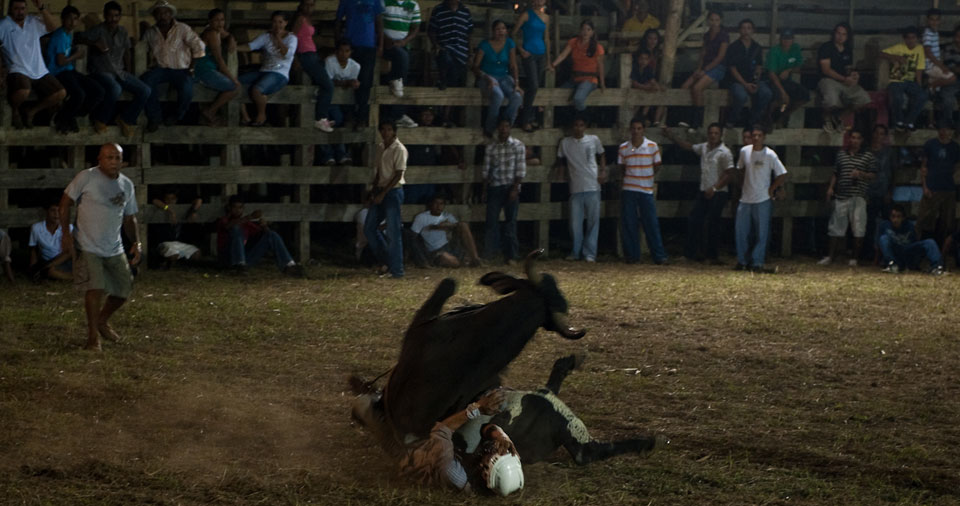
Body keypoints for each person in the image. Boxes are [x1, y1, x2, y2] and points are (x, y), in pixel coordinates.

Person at [59, 143, 141, 351]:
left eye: (117, 158)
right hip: (87, 243)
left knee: (123, 289)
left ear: (122, 160)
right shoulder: (86, 177)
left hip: (114, 245)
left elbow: (130, 218)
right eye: (109, 157)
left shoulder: (126, 184)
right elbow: (65, 203)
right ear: (100, 159)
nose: (113, 162)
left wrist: (136, 242)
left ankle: (102, 321)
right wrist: (66, 234)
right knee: (95, 288)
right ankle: (92, 336)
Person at [396, 389, 523, 495]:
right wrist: (502, 437)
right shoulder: (483, 477)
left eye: (494, 454)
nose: (494, 449)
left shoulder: (454, 474)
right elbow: (487, 429)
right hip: (446, 450)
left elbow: (441, 430)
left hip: (412, 450)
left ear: (485, 474)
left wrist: (478, 408)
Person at [664, 123, 734, 264]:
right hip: (704, 190)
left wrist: (714, 188)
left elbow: (729, 174)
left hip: (718, 192)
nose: (713, 136)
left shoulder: (725, 152)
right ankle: (692, 253)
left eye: (716, 133)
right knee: (695, 220)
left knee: (713, 224)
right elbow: (688, 146)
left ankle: (711, 256)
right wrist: (672, 137)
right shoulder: (704, 147)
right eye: (711, 133)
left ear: (720, 135)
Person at [82, 1, 151, 137]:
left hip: (119, 71)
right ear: (105, 16)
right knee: (115, 89)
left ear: (120, 17)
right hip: (101, 70)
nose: (113, 19)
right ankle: (101, 119)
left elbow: (126, 52)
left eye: (116, 16)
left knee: (145, 90)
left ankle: (126, 119)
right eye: (110, 15)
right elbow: (79, 38)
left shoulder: (122, 32)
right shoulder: (98, 30)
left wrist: (130, 73)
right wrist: (94, 43)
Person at [140, 0, 205, 132]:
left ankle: (177, 115)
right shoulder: (150, 33)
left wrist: (192, 67)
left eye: (165, 13)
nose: (162, 16)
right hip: (161, 69)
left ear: (170, 14)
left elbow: (199, 47)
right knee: (145, 81)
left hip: (181, 69)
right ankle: (155, 117)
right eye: (159, 13)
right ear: (154, 16)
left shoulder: (182, 29)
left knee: (187, 89)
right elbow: (142, 48)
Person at [0, 0, 66, 129]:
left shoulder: (33, 21)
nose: (20, 12)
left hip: (38, 69)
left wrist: (41, 7)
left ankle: (31, 111)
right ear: (10, 10)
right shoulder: (4, 25)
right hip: (17, 68)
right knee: (24, 91)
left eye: (23, 8)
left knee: (60, 93)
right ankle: (15, 111)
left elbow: (53, 27)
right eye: (17, 9)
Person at [818, 130, 877, 266]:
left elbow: (873, 175)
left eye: (857, 138)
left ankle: (854, 259)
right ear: (849, 139)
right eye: (853, 138)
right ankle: (830, 256)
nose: (855, 140)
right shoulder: (841, 155)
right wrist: (831, 188)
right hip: (842, 194)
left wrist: (861, 174)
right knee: (836, 226)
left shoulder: (868, 156)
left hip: (858, 195)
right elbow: (836, 173)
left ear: (862, 140)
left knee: (858, 226)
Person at [734, 126, 787, 272]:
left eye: (759, 135)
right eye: (754, 135)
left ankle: (757, 261)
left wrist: (772, 188)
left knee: (761, 233)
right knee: (741, 232)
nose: (756, 138)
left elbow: (781, 174)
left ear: (763, 137)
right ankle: (742, 260)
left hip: (762, 198)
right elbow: (740, 169)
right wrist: (741, 185)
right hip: (745, 197)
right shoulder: (744, 151)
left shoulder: (770, 154)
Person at [45, 5, 104, 134]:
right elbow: (60, 62)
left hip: (69, 70)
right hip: (58, 72)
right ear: (62, 19)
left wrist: (74, 52)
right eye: (69, 19)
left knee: (98, 91)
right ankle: (62, 118)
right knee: (79, 94)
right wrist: (76, 55)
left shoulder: (68, 34)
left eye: (75, 19)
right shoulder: (60, 36)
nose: (72, 22)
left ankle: (70, 115)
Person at [216, 195, 304, 276]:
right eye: (234, 207)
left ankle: (289, 265)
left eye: (240, 207)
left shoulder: (247, 224)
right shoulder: (224, 220)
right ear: (229, 208)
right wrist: (250, 216)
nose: (237, 210)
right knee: (236, 229)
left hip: (246, 259)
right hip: (228, 259)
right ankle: (238, 265)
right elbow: (229, 226)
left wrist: (264, 225)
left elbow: (267, 235)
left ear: (243, 208)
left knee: (271, 234)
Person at [557, 116, 606, 262]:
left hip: (592, 184)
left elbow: (602, 154)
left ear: (585, 127)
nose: (578, 128)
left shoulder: (593, 139)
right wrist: (559, 173)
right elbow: (560, 159)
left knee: (593, 221)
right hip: (576, 186)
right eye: (576, 125)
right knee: (575, 223)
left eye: (581, 125)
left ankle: (590, 253)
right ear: (572, 127)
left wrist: (602, 171)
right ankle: (575, 251)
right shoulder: (565, 142)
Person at [236, 11, 298, 126]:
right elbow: (250, 46)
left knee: (257, 89)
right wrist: (234, 48)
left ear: (286, 23)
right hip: (264, 71)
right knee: (235, 83)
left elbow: (287, 54)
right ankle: (245, 117)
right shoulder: (266, 36)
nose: (277, 25)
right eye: (274, 22)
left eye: (280, 22)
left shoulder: (291, 38)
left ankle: (261, 115)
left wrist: (278, 38)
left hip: (280, 73)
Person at [619, 118, 666, 265]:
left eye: (639, 128)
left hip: (646, 189)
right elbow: (622, 167)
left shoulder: (652, 146)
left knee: (651, 223)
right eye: (634, 128)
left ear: (643, 130)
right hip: (630, 188)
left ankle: (658, 255)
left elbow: (657, 165)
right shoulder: (623, 148)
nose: (636, 131)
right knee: (629, 223)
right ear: (630, 130)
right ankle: (632, 255)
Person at [365, 120, 407, 278]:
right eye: (383, 129)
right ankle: (387, 262)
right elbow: (379, 172)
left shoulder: (399, 149)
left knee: (393, 232)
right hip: (382, 189)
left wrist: (382, 193)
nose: (385, 132)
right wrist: (373, 191)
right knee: (369, 228)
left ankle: (397, 270)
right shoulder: (381, 147)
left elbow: (398, 174)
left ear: (394, 131)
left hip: (393, 191)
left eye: (389, 129)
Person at [483, 119, 526, 264]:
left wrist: (515, 188)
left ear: (510, 128)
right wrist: (485, 185)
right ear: (497, 128)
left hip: (510, 186)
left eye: (506, 126)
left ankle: (511, 255)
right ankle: (490, 254)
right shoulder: (491, 147)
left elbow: (520, 169)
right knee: (491, 222)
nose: (504, 129)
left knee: (510, 222)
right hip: (495, 186)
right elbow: (486, 170)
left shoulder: (518, 146)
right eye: (501, 126)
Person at [335, 0, 383, 126]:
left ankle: (362, 116)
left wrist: (380, 45)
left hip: (369, 46)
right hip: (351, 45)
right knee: (349, 79)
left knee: (366, 82)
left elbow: (379, 21)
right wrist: (338, 42)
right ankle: (349, 115)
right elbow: (338, 20)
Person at [677, 11, 728, 132]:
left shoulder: (724, 36)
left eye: (716, 20)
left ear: (720, 21)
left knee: (697, 88)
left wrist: (705, 70)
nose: (714, 23)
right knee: (684, 87)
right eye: (712, 20)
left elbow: (720, 57)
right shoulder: (707, 35)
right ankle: (686, 117)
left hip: (718, 67)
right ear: (708, 21)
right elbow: (703, 53)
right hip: (705, 66)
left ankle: (696, 121)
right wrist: (699, 69)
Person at [817, 22, 871, 134]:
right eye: (838, 33)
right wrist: (843, 79)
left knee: (863, 99)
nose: (840, 36)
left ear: (847, 36)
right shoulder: (826, 47)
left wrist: (854, 75)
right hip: (828, 80)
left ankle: (838, 117)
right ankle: (827, 118)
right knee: (831, 100)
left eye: (844, 34)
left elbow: (849, 68)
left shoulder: (847, 49)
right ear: (834, 34)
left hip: (844, 81)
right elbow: (826, 70)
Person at [289, 0, 335, 132]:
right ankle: (320, 118)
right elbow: (292, 38)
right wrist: (295, 58)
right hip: (305, 55)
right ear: (301, 5)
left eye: (312, 4)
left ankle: (322, 115)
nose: (309, 7)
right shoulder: (299, 19)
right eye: (307, 4)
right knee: (328, 85)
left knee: (326, 81)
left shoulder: (308, 19)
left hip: (313, 55)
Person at [472, 20, 522, 137]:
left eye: (503, 29)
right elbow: (475, 67)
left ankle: (506, 124)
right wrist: (486, 77)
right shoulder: (484, 45)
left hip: (504, 77)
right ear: (493, 31)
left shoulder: (509, 43)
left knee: (517, 97)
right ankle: (490, 127)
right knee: (498, 95)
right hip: (487, 77)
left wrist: (517, 83)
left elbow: (513, 65)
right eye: (498, 29)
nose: (501, 31)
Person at [409, 195, 482, 268]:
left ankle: (475, 258)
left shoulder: (447, 216)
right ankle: (463, 263)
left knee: (463, 225)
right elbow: (413, 236)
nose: (438, 206)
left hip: (448, 245)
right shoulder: (422, 217)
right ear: (431, 204)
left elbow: (458, 226)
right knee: (454, 262)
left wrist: (448, 225)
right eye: (436, 203)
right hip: (435, 250)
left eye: (441, 204)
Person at [724, 19, 771, 129]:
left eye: (749, 28)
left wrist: (755, 81)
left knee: (766, 93)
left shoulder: (756, 47)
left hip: (752, 79)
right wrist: (745, 84)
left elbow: (759, 66)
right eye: (743, 28)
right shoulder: (733, 47)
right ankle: (732, 119)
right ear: (739, 30)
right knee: (741, 96)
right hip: (737, 80)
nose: (746, 31)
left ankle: (754, 119)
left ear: (753, 30)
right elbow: (732, 68)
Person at [551, 20, 605, 115]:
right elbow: (563, 55)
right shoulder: (574, 42)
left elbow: (600, 66)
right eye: (583, 29)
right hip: (575, 78)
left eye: (588, 30)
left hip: (589, 79)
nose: (585, 32)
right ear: (580, 31)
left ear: (592, 32)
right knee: (557, 95)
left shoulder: (597, 47)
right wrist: (553, 65)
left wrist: (602, 83)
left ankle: (585, 118)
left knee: (578, 98)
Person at [879, 26, 927, 132]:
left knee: (922, 96)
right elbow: (881, 53)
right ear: (904, 39)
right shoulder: (898, 47)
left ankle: (909, 122)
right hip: (896, 80)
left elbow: (919, 69)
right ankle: (898, 122)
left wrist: (919, 86)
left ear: (917, 38)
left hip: (910, 82)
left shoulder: (920, 49)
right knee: (898, 97)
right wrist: (895, 57)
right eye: (908, 38)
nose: (911, 40)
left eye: (913, 37)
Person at [196, 8, 239, 126]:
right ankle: (210, 112)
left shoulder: (217, 31)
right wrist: (233, 79)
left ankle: (208, 115)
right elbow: (219, 61)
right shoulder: (212, 33)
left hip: (208, 68)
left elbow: (228, 35)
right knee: (235, 88)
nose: (220, 23)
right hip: (203, 69)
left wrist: (230, 39)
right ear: (210, 21)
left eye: (222, 20)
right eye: (216, 20)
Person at [918, 124, 960, 243]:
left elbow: (956, 166)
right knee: (926, 220)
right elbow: (924, 167)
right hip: (932, 187)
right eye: (941, 129)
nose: (943, 131)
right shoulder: (931, 144)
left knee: (946, 222)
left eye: (946, 129)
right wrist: (925, 186)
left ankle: (942, 249)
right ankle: (923, 247)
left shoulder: (955, 147)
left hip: (948, 188)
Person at [381, 0, 420, 128]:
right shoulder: (384, 1)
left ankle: (395, 115)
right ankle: (397, 114)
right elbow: (378, 22)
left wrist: (403, 42)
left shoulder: (413, 4)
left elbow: (415, 28)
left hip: (402, 45)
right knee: (402, 59)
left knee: (404, 63)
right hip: (384, 44)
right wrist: (386, 40)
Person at [512, 0, 549, 133]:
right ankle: (525, 120)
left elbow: (546, 39)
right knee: (533, 85)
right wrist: (520, 49)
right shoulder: (526, 15)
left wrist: (549, 61)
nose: (539, 2)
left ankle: (530, 117)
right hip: (529, 54)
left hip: (541, 54)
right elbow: (513, 34)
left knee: (535, 87)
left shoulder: (546, 17)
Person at [322, 39, 361, 165]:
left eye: (347, 51)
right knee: (327, 124)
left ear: (351, 52)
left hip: (345, 103)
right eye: (341, 51)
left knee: (340, 123)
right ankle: (328, 156)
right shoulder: (330, 61)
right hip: (329, 101)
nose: (343, 54)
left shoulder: (355, 66)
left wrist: (350, 84)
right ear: (336, 52)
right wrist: (346, 83)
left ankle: (341, 154)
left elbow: (353, 84)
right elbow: (327, 82)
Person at [877, 204, 946, 275]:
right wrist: (876, 262)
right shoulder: (884, 225)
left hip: (908, 251)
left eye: (898, 217)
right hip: (895, 252)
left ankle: (937, 267)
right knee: (883, 238)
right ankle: (892, 265)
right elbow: (880, 245)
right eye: (893, 216)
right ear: (890, 217)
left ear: (903, 218)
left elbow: (915, 243)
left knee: (930, 242)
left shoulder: (909, 226)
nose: (895, 220)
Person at [765, 29, 809, 128]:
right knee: (778, 97)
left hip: (786, 80)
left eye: (789, 39)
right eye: (784, 38)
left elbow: (799, 65)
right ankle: (768, 119)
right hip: (774, 81)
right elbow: (771, 74)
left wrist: (789, 70)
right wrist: (783, 92)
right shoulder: (774, 51)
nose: (786, 41)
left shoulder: (795, 49)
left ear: (793, 40)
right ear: (780, 39)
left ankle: (783, 116)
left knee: (804, 95)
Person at [427, 0, 472, 91]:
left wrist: (470, 53)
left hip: (461, 52)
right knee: (445, 58)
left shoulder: (466, 11)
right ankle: (443, 82)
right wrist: (436, 45)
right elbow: (431, 31)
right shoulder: (438, 10)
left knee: (459, 84)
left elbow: (469, 33)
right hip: (445, 49)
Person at [865, 124, 895, 256]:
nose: (878, 136)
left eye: (882, 133)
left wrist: (890, 191)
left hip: (884, 191)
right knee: (868, 223)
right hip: (869, 191)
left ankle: (887, 250)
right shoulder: (866, 151)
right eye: (876, 133)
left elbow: (893, 173)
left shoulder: (889, 152)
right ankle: (868, 252)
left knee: (888, 223)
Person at [151, 191, 202, 268]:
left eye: (172, 199)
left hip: (179, 243)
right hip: (165, 243)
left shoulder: (181, 208)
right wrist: (169, 211)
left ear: (176, 199)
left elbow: (199, 200)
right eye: (167, 199)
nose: (170, 201)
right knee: (173, 254)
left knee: (197, 254)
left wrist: (193, 211)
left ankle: (181, 264)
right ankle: (167, 263)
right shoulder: (163, 208)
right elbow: (155, 201)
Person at [29, 201, 74, 281]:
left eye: (59, 210)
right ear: (47, 212)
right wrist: (33, 269)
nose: (56, 214)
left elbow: (69, 252)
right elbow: (33, 250)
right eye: (53, 210)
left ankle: (73, 278)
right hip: (47, 260)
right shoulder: (36, 228)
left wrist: (49, 265)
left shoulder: (68, 228)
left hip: (63, 260)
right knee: (50, 271)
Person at [922, 9, 956, 94]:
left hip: (935, 64)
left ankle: (931, 87)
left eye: (937, 20)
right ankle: (930, 85)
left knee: (937, 91)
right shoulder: (928, 34)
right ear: (927, 20)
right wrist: (941, 66)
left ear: (940, 21)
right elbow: (928, 52)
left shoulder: (935, 32)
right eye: (932, 19)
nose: (934, 22)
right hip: (930, 66)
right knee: (952, 78)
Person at [630, 48, 666, 126]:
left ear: (649, 60)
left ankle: (655, 120)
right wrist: (646, 87)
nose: (643, 61)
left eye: (646, 59)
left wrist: (658, 87)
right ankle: (634, 118)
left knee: (658, 98)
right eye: (641, 58)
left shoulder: (648, 69)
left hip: (646, 92)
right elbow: (634, 83)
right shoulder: (634, 68)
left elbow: (652, 80)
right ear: (637, 59)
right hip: (636, 92)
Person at [938, 25, 960, 127]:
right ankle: (948, 122)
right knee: (948, 100)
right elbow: (951, 67)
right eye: (957, 36)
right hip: (950, 80)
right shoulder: (948, 48)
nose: (958, 39)